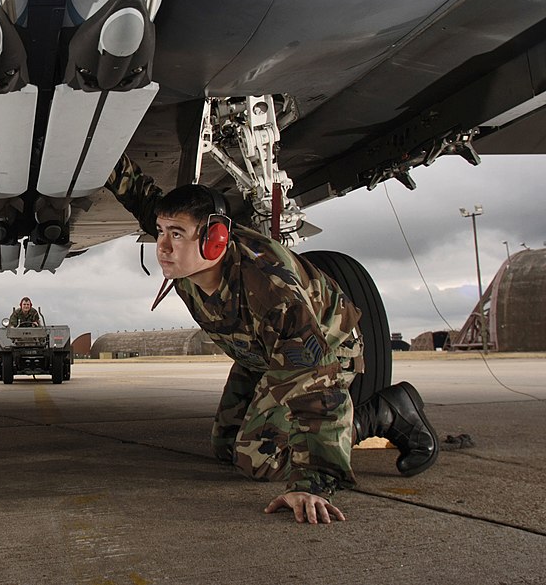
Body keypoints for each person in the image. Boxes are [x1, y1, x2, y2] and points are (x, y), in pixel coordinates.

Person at [105, 154, 438, 525]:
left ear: (215, 241)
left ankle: (385, 413)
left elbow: (318, 389)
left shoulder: (271, 292)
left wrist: (314, 482)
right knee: (227, 446)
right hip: (261, 354)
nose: (162, 247)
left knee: (258, 462)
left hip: (324, 354)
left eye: (176, 234)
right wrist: (101, 154)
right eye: (161, 232)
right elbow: (142, 197)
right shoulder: (191, 252)